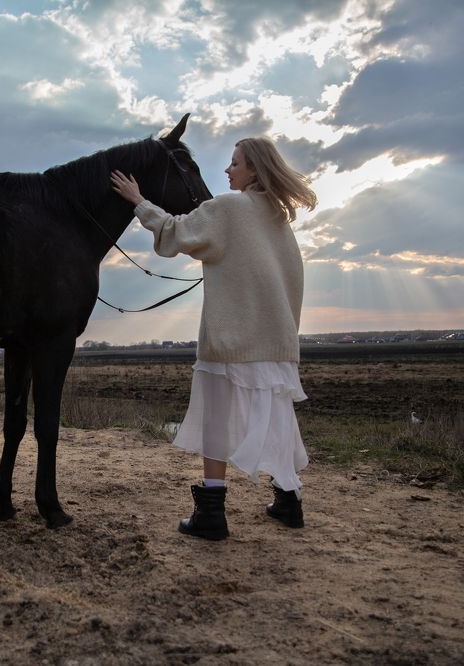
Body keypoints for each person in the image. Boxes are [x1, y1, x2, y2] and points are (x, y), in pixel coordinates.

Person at [110, 136, 317, 539]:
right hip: (276, 339)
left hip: (232, 337)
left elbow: (175, 233)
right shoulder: (276, 216)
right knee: (277, 419)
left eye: (235, 163)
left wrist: (138, 201)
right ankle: (289, 503)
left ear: (254, 169)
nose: (227, 170)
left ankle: (211, 515)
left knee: (216, 422)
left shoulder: (229, 208)